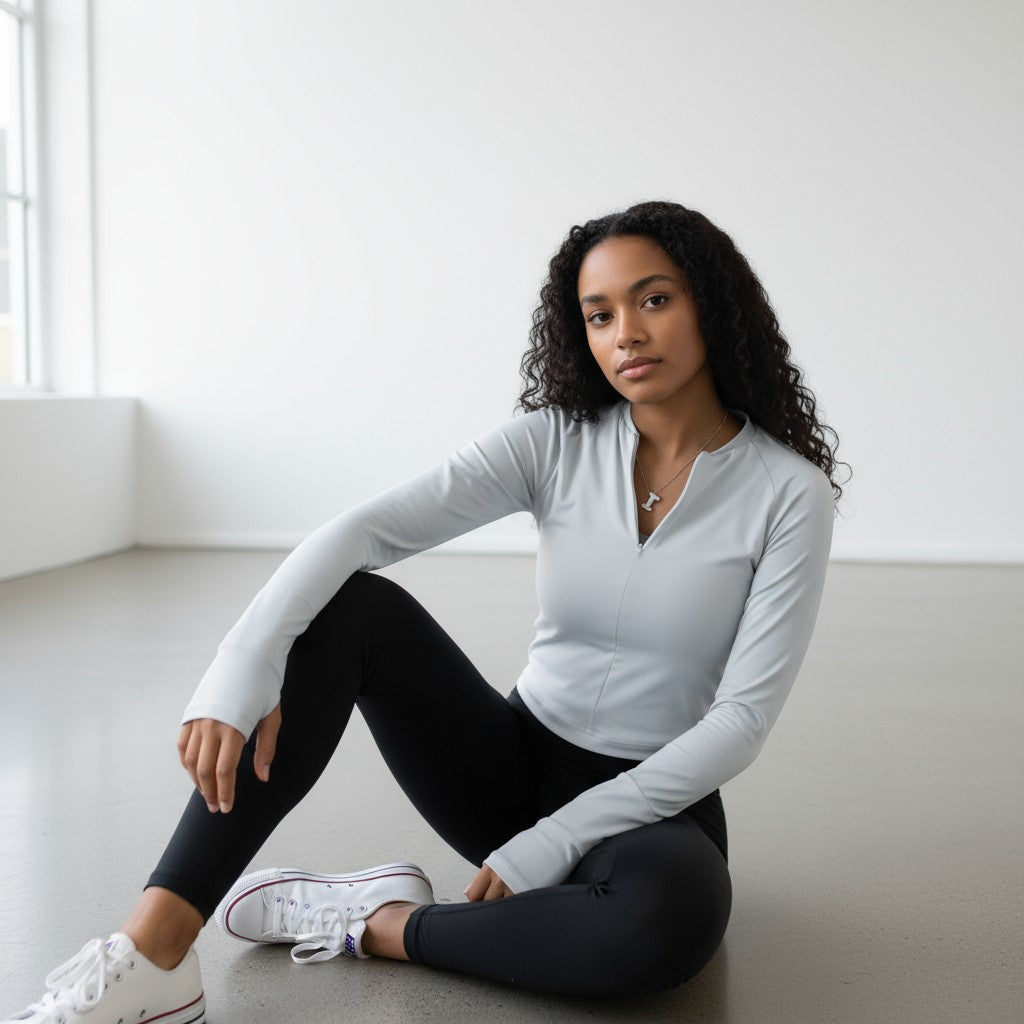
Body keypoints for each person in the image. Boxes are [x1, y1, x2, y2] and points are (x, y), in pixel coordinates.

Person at [6, 200, 846, 1022]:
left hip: (654, 806)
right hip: (512, 767)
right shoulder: (555, 441)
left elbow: (739, 721)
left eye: (653, 299)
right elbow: (366, 531)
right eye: (599, 314)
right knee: (349, 611)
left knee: (671, 925)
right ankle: (155, 953)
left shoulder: (788, 495)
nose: (624, 332)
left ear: (713, 304)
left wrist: (557, 840)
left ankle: (374, 924)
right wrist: (243, 660)